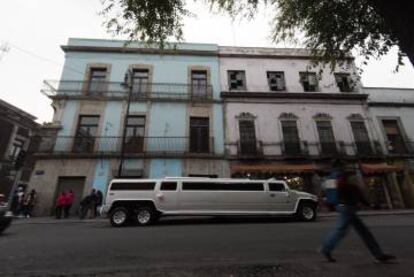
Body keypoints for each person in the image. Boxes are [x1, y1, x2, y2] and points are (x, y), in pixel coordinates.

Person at [320, 162, 396, 263]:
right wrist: (369, 204)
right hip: (348, 207)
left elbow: (328, 193)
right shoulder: (344, 177)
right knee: (342, 230)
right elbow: (355, 192)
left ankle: (378, 254)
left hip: (342, 206)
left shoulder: (331, 179)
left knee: (360, 231)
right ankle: (326, 249)